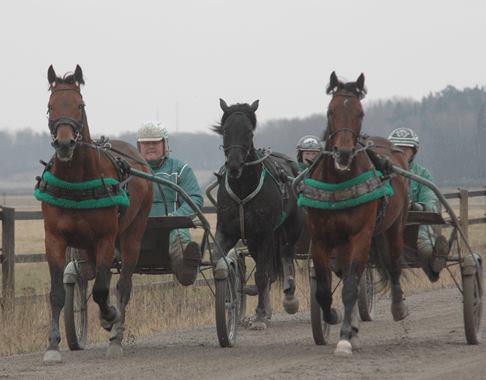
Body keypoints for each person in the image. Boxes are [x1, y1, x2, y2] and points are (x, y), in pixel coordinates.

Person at [137, 121, 204, 286]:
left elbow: (195, 198)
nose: (150, 146)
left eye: (155, 142)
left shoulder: (181, 169)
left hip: (172, 229)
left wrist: (175, 217)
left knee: (179, 239)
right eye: (146, 143)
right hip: (136, 230)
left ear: (165, 144)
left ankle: (185, 268)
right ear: (139, 146)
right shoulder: (129, 169)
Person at [388, 127, 449, 282]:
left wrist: (419, 207)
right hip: (388, 224)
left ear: (414, 152)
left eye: (405, 149)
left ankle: (434, 261)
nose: (401, 153)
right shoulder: (382, 173)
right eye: (397, 149)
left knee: (421, 239)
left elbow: (430, 200)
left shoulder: (422, 174)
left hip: (416, 224)